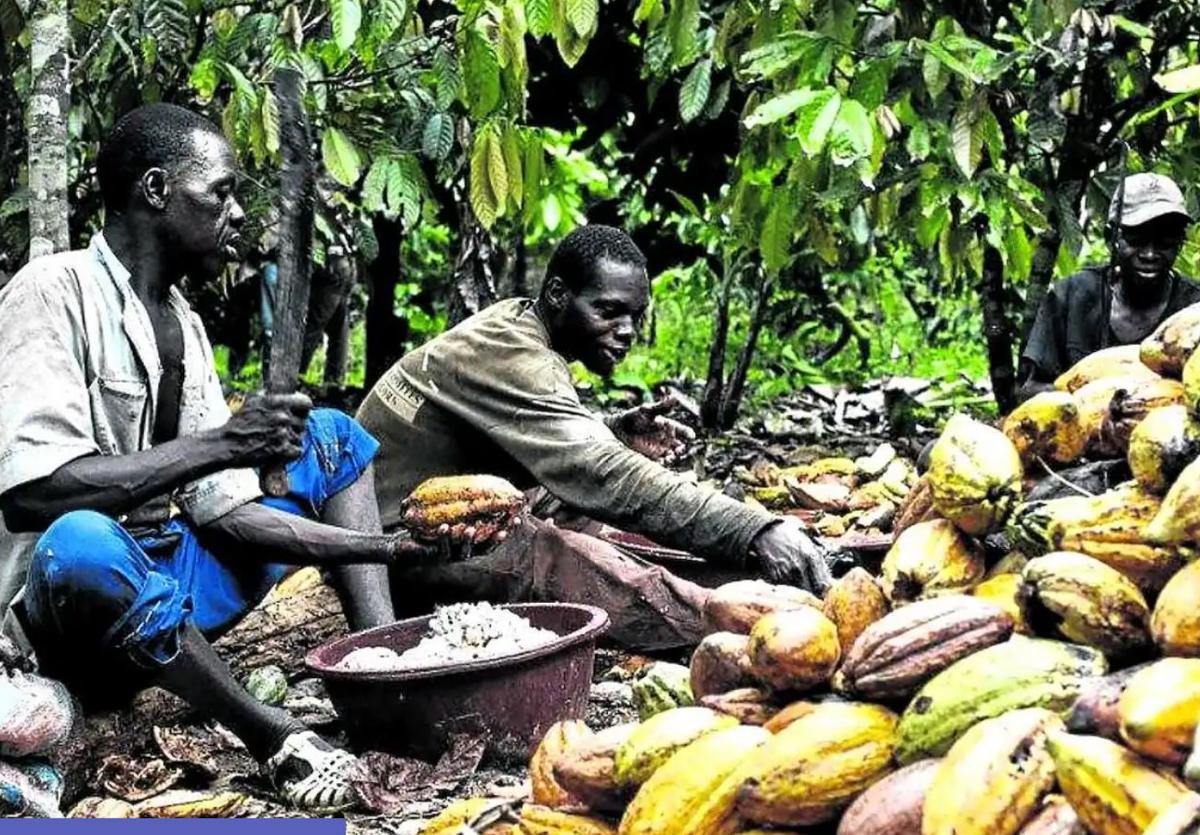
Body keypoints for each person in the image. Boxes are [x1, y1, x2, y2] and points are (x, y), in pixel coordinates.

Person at [0, 104, 508, 811]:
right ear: (155, 189)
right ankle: (274, 738)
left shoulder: (184, 324)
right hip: (68, 606)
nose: (238, 213)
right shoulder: (50, 292)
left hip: (165, 573)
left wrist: (386, 546)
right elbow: (34, 495)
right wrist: (223, 443)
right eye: (221, 192)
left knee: (329, 435)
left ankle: (379, 675)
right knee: (83, 541)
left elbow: (228, 514)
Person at [356, 225, 834, 651]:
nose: (626, 331)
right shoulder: (518, 357)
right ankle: (722, 617)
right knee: (548, 550)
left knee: (591, 521)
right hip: (396, 545)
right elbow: (603, 476)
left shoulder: (517, 323)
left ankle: (732, 581)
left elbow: (549, 451)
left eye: (635, 316)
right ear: (560, 294)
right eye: (608, 311)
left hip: (448, 512)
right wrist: (755, 528)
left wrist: (611, 434)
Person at [1019, 172, 1200, 402]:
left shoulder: (1194, 308)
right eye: (1136, 240)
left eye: (1165, 242)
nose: (1150, 254)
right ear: (1110, 237)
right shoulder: (1072, 296)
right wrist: (1091, 401)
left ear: (1180, 243)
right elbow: (1029, 389)